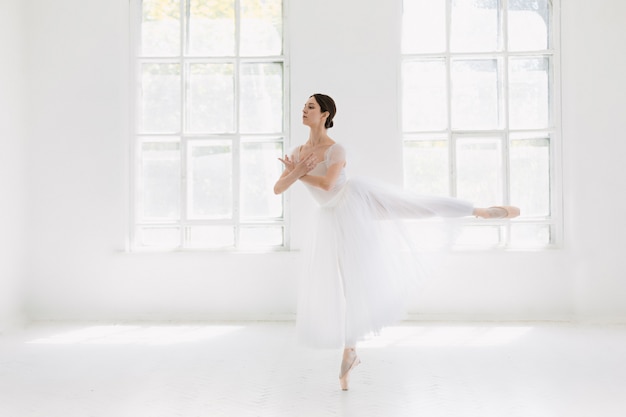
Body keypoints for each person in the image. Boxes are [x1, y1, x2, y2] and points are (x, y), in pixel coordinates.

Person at [273, 94, 519, 391]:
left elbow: (327, 184)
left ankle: (477, 211)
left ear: (325, 114)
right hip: (331, 217)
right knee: (350, 284)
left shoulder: (336, 149)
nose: (304, 110)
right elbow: (278, 187)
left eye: (310, 106)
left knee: (414, 206)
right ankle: (350, 352)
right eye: (304, 106)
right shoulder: (297, 151)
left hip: (355, 201)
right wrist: (295, 172)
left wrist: (298, 173)